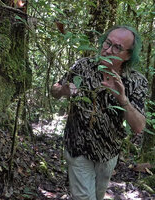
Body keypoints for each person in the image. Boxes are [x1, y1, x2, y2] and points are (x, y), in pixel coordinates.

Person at [51, 25, 148, 200]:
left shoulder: (136, 81)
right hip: (77, 147)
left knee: (97, 195)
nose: (108, 50)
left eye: (117, 48)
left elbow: (139, 127)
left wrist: (122, 99)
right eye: (107, 43)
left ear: (127, 56)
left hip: (108, 152)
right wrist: (63, 90)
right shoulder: (83, 67)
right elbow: (55, 90)